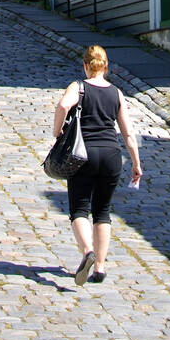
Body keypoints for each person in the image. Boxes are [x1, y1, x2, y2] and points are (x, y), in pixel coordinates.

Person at [53, 44, 142, 286]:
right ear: (106, 67)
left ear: (85, 65)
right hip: (112, 156)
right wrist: (135, 162)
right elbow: (128, 133)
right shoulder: (116, 93)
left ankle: (87, 252)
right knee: (103, 211)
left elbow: (63, 105)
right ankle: (100, 267)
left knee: (79, 208)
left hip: (84, 154)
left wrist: (57, 130)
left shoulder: (79, 87)